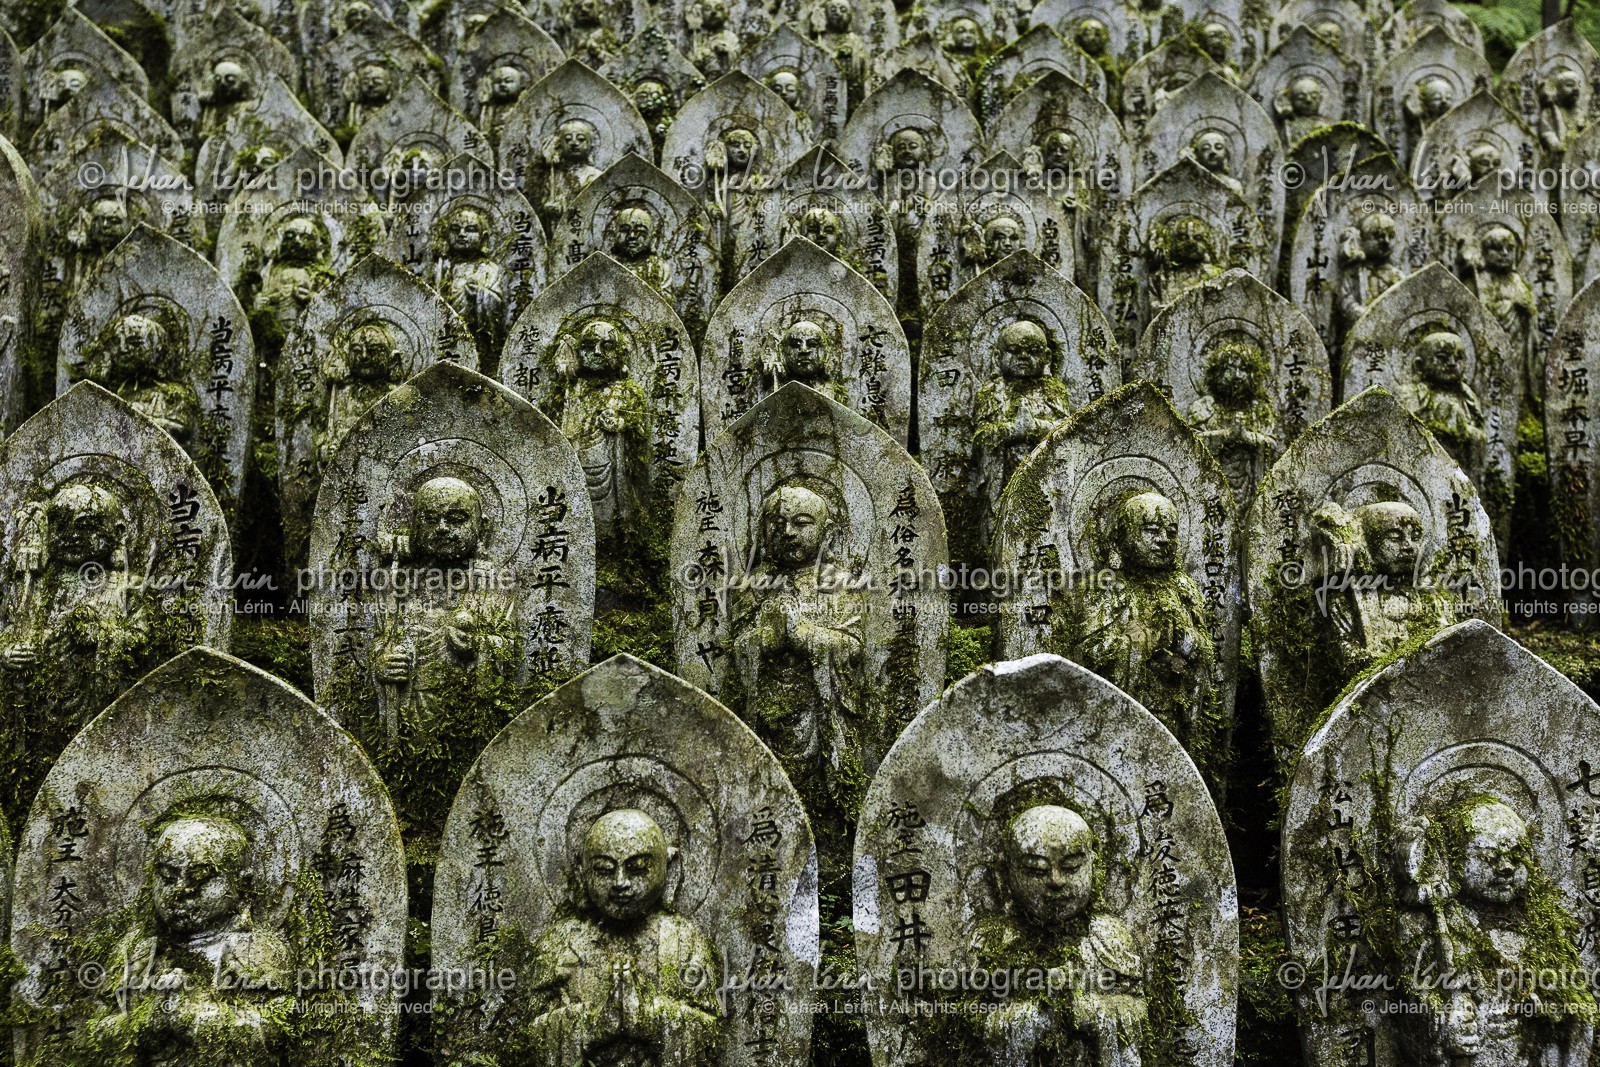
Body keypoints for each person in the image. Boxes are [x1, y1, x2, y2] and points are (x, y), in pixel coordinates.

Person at [524, 809, 721, 1066]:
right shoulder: (561, 943)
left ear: (668, 866)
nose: (620, 882)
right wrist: (592, 1026)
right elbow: (533, 1031)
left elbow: (709, 1032)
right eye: (604, 870)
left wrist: (653, 1022)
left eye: (637, 868)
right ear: (581, 869)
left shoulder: (684, 940)